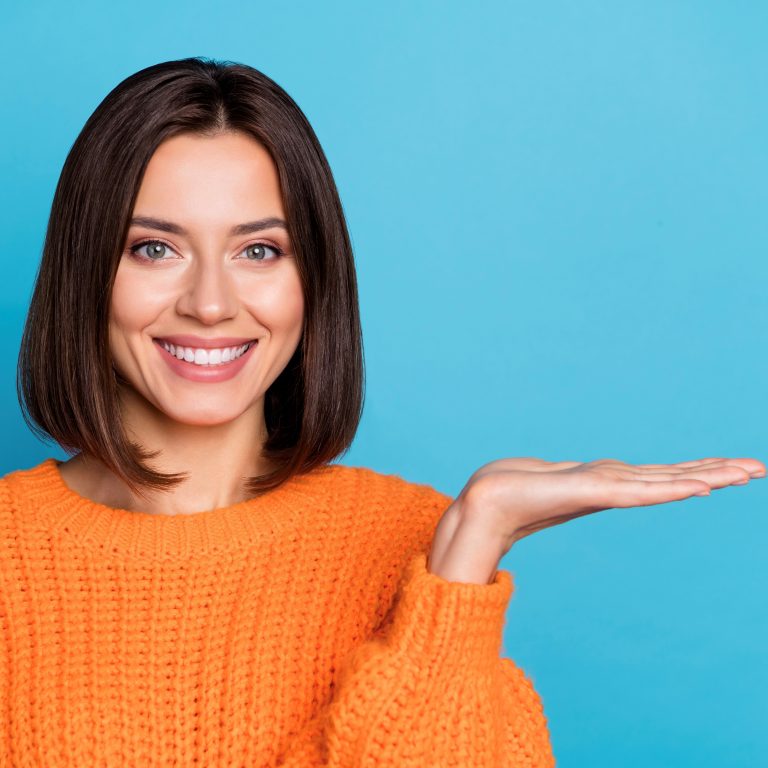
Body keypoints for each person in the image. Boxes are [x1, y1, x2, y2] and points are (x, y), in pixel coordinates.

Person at [0, 57, 762, 768]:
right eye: (154, 249)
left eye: (259, 251)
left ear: (315, 280)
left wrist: (464, 557)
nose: (209, 303)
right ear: (84, 272)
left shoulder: (414, 548)